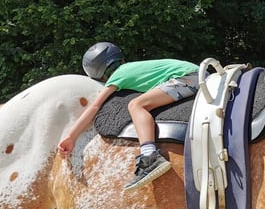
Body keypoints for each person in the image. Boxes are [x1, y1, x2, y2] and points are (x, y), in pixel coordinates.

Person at [57, 41, 199, 190]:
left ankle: (150, 156)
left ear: (101, 76)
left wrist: (71, 136)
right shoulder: (133, 68)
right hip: (197, 73)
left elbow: (95, 106)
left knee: (136, 105)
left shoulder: (117, 77)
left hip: (187, 78)